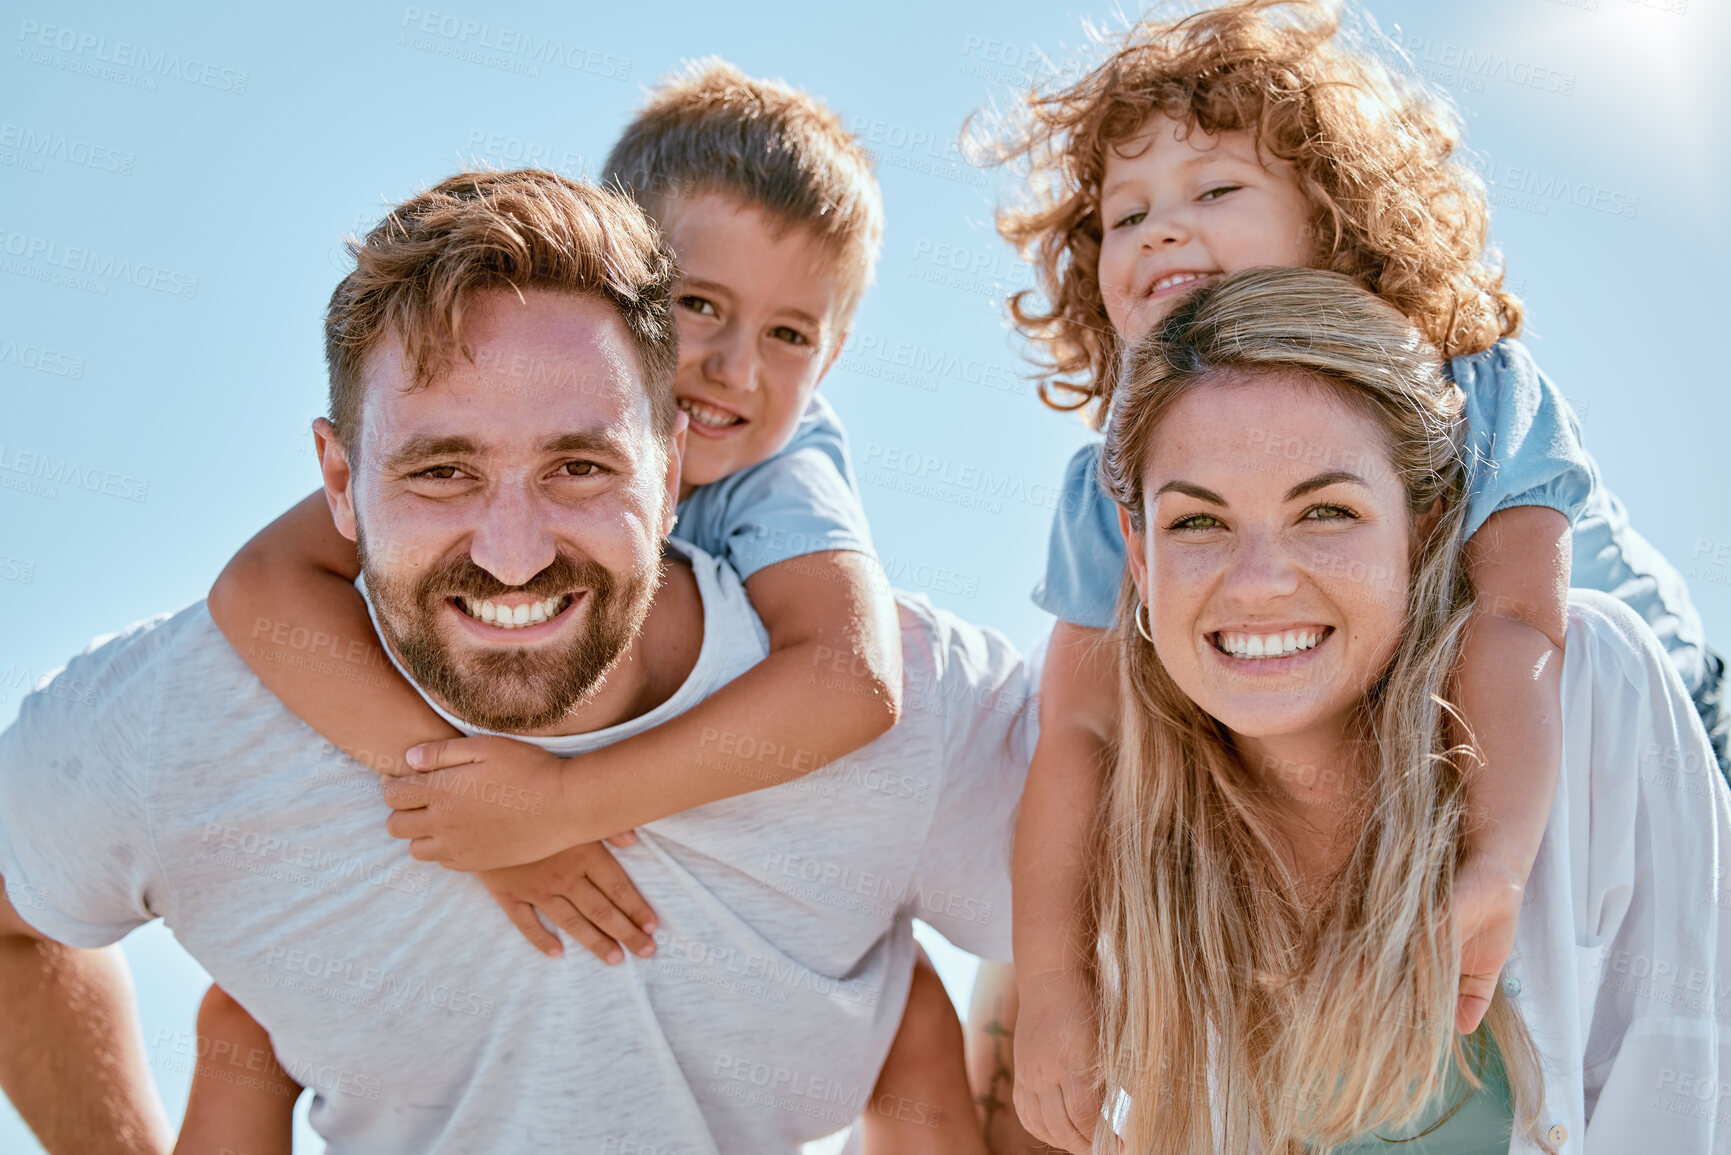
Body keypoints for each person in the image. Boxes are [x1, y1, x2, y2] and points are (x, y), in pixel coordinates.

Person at [0, 168, 1028, 1155]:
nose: (514, 551)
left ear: (670, 470)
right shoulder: (190, 725)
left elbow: (1128, 926)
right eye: (443, 471)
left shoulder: (913, 709)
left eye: (578, 467)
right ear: (338, 483)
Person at [971, 2, 1726, 1144]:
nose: (1161, 233)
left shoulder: (1470, 388)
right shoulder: (1109, 479)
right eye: (1126, 216)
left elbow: (1521, 619)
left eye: (1215, 193)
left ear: (1338, 222)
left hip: (1638, 727)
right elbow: (1078, 729)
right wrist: (1055, 991)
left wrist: (1500, 864)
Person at [1093, 265, 1729, 1152]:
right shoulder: (1138, 850)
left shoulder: (1591, 693)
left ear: (1423, 527)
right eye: (1198, 523)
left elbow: (1685, 1102)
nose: (1259, 582)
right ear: (1137, 553)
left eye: (1324, 510)